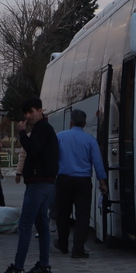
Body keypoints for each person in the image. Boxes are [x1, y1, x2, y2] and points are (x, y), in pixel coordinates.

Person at [0, 98, 59, 273]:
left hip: (38, 183)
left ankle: (18, 267)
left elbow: (32, 149)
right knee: (41, 224)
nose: (28, 116)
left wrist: (22, 133)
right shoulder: (44, 129)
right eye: (25, 113)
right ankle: (43, 265)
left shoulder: (42, 128)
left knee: (25, 224)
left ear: (40, 110)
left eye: (31, 112)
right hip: (45, 182)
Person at [54, 109, 108, 258]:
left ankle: (63, 244)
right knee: (82, 216)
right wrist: (102, 183)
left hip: (63, 180)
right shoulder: (90, 140)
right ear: (84, 124)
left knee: (63, 214)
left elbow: (53, 158)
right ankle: (78, 249)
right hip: (83, 182)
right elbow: (97, 163)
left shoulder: (60, 137)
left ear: (71, 122)